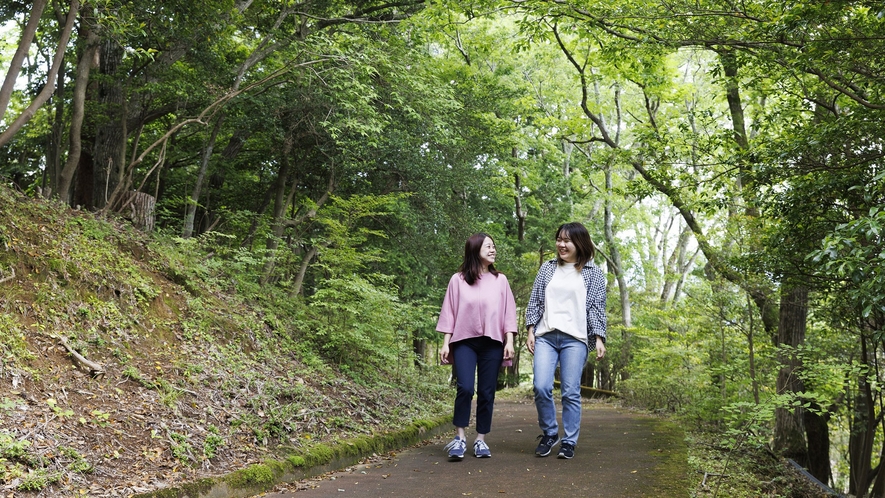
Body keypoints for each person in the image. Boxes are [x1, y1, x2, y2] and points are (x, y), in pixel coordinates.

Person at [525, 222, 607, 460]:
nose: (561, 244)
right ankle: (550, 433)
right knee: (541, 386)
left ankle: (569, 441)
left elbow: (596, 309)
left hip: (576, 339)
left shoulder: (593, 274)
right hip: (546, 336)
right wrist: (530, 329)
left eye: (566, 241)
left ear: (579, 243)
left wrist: (599, 338)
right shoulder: (548, 268)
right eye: (559, 239)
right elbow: (535, 302)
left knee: (570, 392)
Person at [436, 233, 518, 460]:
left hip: (492, 342)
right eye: (488, 246)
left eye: (494, 246)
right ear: (475, 250)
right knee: (465, 387)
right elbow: (449, 312)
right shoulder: (458, 280)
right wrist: (445, 343)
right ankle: (459, 438)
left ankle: (480, 439)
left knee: (486, 392)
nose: (493, 250)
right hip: (464, 341)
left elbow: (508, 312)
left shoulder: (500, 280)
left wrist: (509, 340)